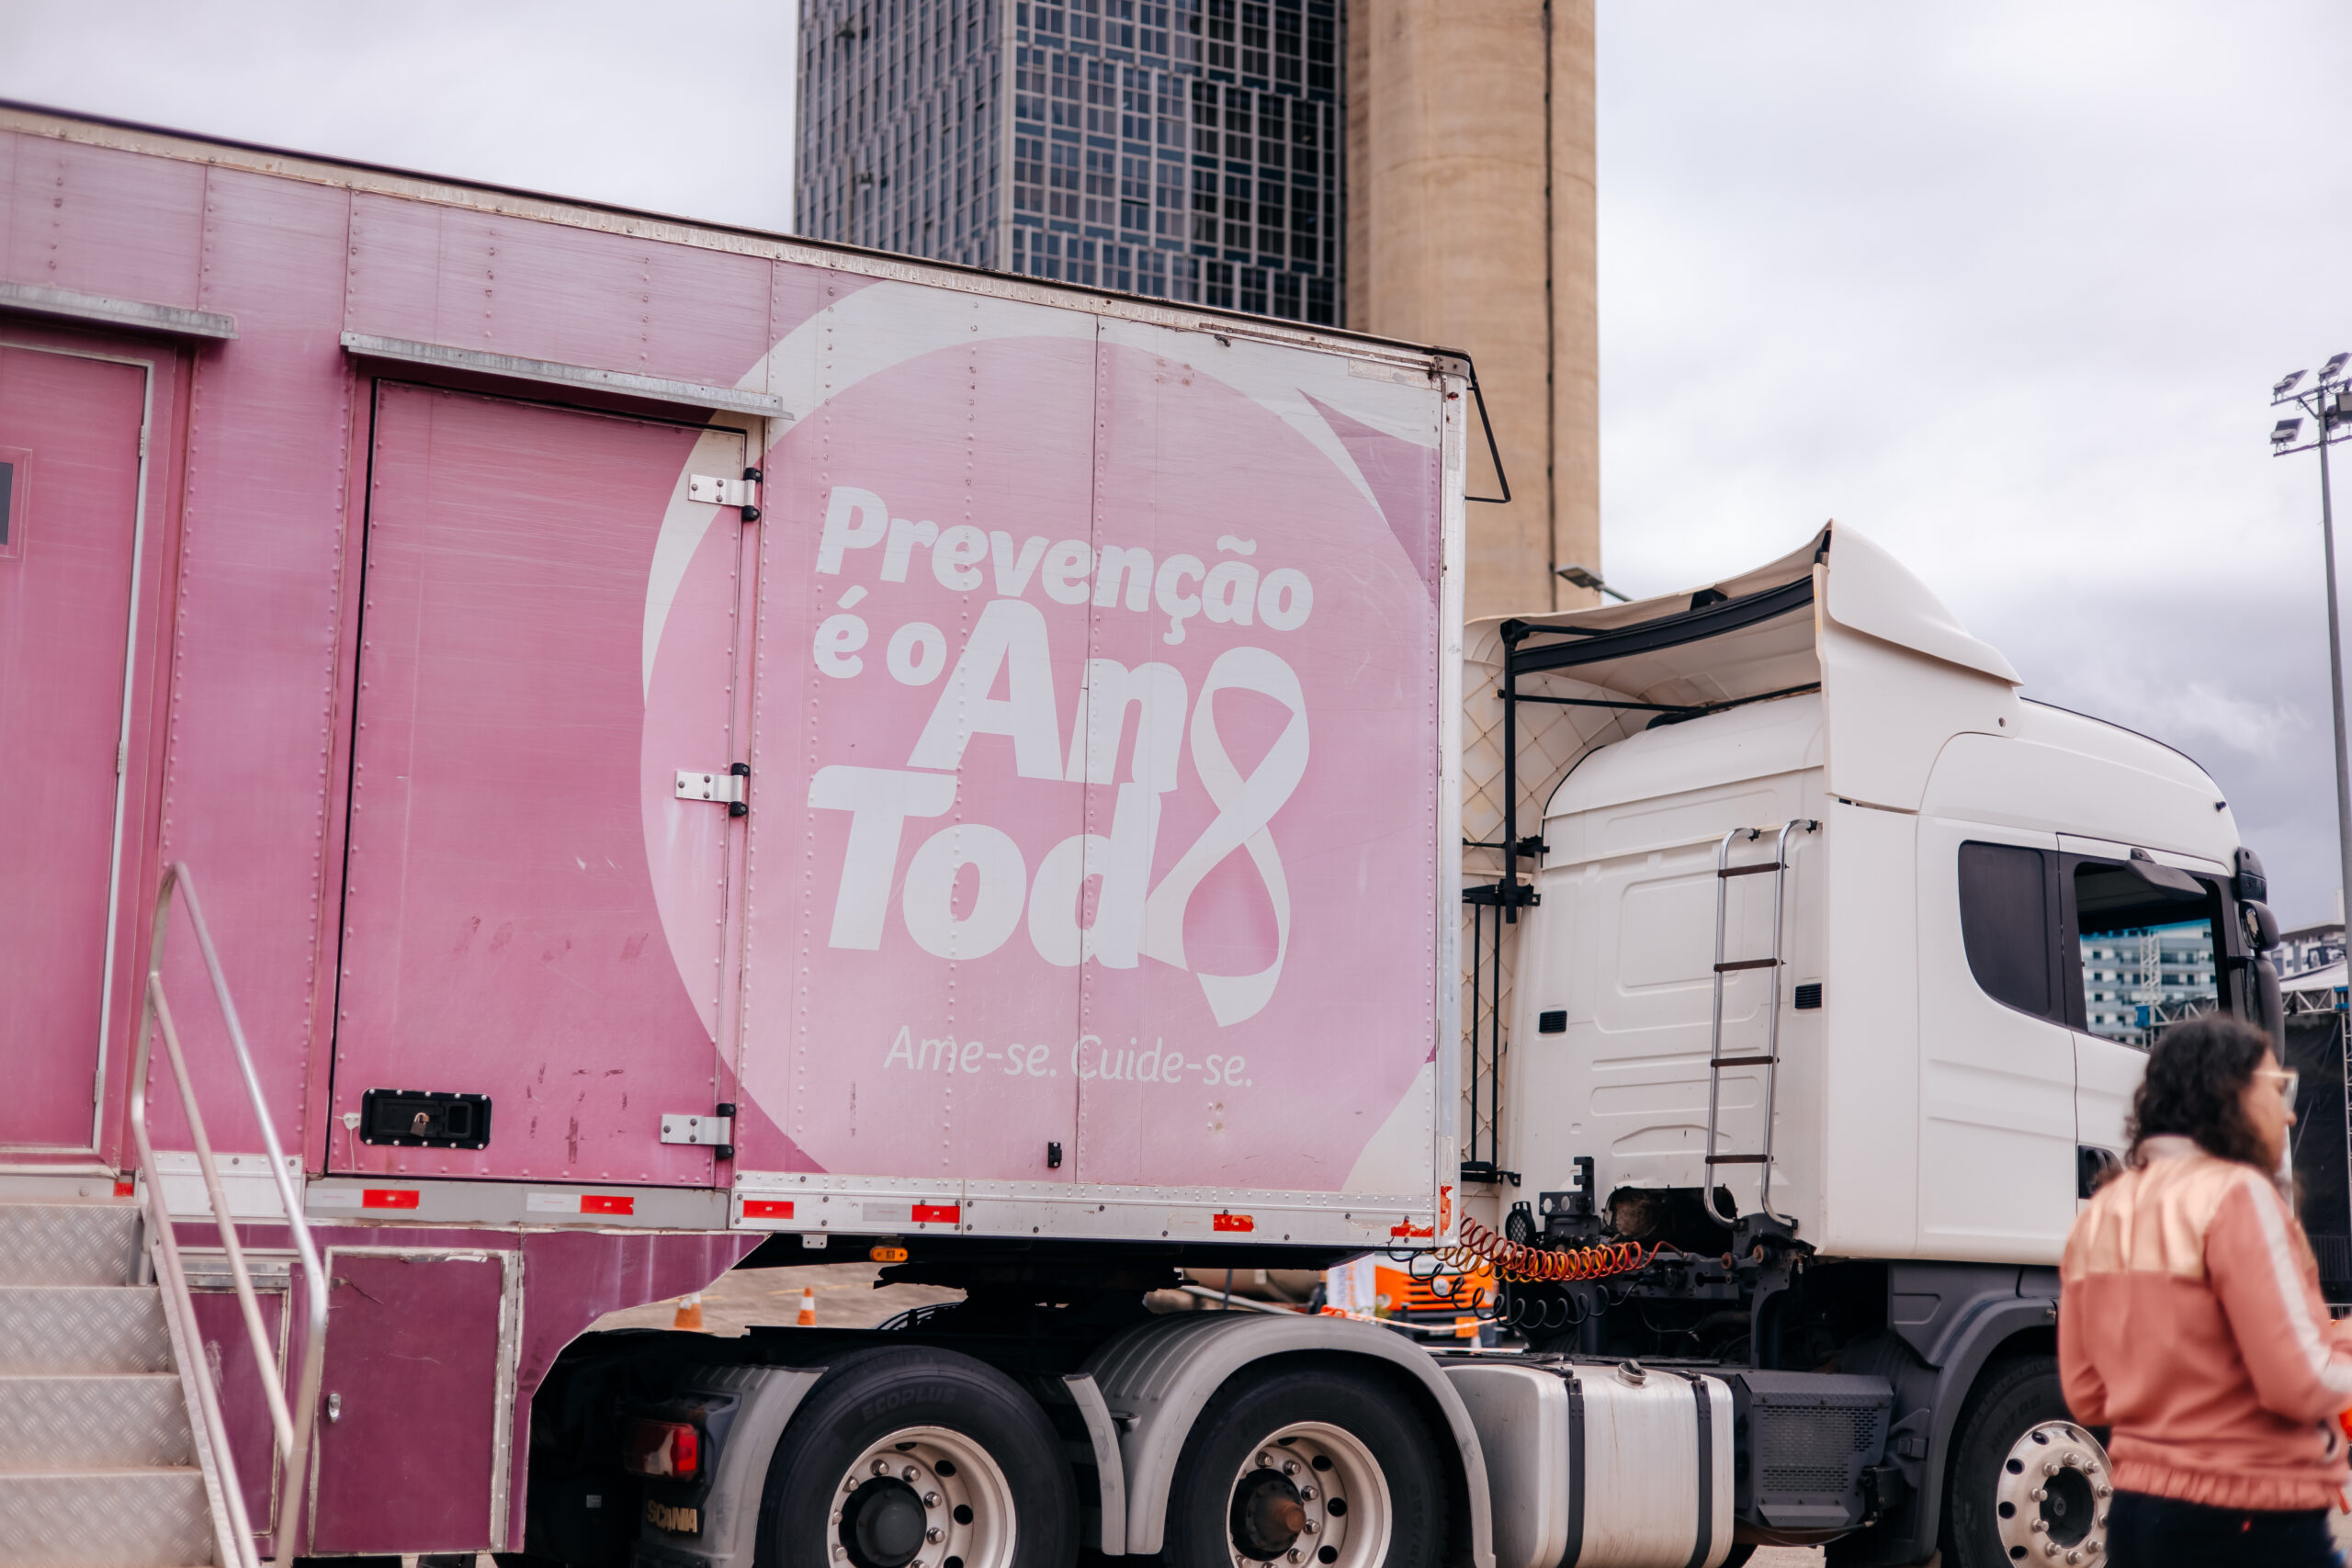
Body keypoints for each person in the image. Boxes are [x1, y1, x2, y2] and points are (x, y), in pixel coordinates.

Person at [2060, 1014, 2352, 1566]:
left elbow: (2086, 1394)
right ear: (2231, 1092)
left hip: (2138, 1513)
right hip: (2249, 1514)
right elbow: (2300, 1378)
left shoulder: (2104, 1212)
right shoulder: (2237, 1197)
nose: (2288, 1110)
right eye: (2277, 1088)